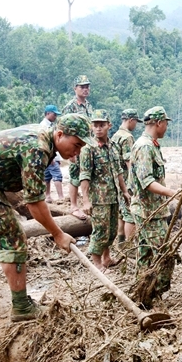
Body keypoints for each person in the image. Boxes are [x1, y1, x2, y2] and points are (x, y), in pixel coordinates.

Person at [0, 114, 94, 321]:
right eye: (76, 144)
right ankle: (21, 307)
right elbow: (35, 203)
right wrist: (58, 233)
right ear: (60, 134)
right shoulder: (38, 149)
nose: (78, 151)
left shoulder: (44, 138)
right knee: (13, 238)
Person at [129, 106, 177, 304]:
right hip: (149, 211)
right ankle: (154, 292)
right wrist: (171, 193)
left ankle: (142, 295)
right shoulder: (145, 146)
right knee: (166, 254)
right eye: (165, 123)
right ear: (159, 123)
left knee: (145, 254)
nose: (166, 127)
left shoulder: (151, 144)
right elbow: (146, 181)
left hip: (150, 209)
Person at [80, 110, 129, 271]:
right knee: (100, 230)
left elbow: (119, 172)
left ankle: (107, 258)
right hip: (99, 198)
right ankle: (96, 262)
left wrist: (125, 191)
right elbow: (85, 175)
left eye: (102, 125)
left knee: (112, 230)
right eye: (95, 125)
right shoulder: (89, 149)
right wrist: (85, 200)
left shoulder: (113, 146)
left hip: (113, 196)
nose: (98, 129)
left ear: (109, 125)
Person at [62, 75, 94, 220]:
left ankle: (86, 203)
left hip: (87, 146)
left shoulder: (88, 105)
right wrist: (71, 153)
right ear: (75, 88)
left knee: (87, 174)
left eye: (87, 86)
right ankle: (74, 206)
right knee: (75, 174)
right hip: (75, 146)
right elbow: (65, 128)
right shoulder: (71, 106)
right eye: (82, 87)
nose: (85, 89)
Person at [111, 109, 143, 243]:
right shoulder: (127, 137)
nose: (135, 125)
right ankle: (129, 246)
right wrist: (134, 183)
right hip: (125, 179)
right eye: (135, 122)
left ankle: (121, 241)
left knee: (121, 212)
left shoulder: (115, 136)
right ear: (131, 120)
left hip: (116, 179)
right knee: (130, 213)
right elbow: (129, 162)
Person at [40, 105, 64, 203]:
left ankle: (48, 196)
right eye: (54, 114)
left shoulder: (50, 125)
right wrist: (52, 157)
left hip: (48, 156)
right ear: (48, 113)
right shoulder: (44, 126)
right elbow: (45, 142)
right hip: (50, 155)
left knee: (47, 176)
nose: (55, 117)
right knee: (57, 174)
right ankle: (61, 197)